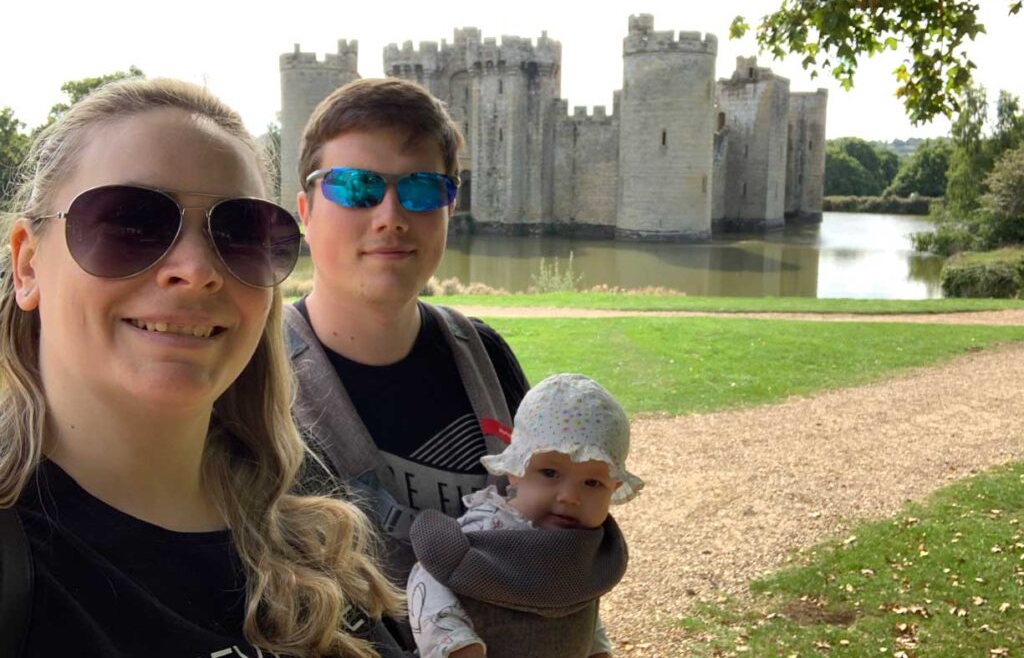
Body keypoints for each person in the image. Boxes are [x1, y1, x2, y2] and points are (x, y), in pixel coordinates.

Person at [0, 78, 402, 657]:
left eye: (240, 233)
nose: (195, 269)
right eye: (130, 223)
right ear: (28, 265)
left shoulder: (311, 525)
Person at [287, 78, 530, 647]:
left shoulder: (487, 356)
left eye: (421, 189)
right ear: (305, 210)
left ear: (449, 205)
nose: (391, 215)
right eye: (356, 187)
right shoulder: (253, 382)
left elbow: (550, 530)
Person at [406, 373, 644, 658]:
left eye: (592, 483)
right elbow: (429, 573)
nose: (570, 496)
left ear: (613, 488)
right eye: (550, 473)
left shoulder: (588, 552)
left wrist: (596, 649)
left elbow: (578, 596)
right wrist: (456, 644)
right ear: (515, 470)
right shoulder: (487, 530)